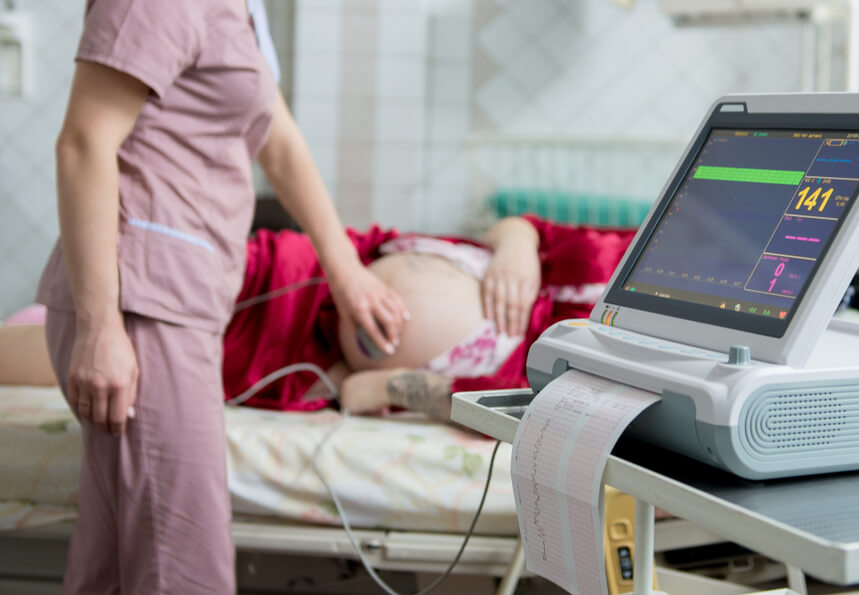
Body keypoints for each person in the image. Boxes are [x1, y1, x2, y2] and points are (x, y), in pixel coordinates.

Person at [34, 1, 408, 592]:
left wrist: (346, 271)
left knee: (111, 570)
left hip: (177, 304)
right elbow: (83, 142)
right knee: (184, 571)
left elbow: (278, 141)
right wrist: (101, 326)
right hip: (140, 304)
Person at [5, 215, 638, 423]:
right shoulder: (642, 252)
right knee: (122, 280)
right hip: (306, 271)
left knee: (120, 356)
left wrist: (375, 388)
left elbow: (524, 412)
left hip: (292, 357)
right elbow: (526, 225)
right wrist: (519, 245)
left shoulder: (630, 375)